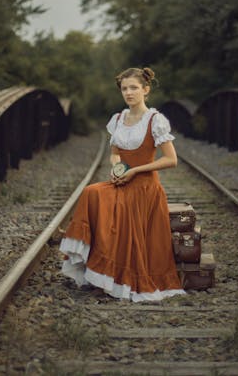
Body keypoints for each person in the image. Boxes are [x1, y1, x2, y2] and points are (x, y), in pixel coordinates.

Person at [59, 67, 185, 302]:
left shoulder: (155, 120)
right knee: (91, 193)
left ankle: (110, 275)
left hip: (145, 187)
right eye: (125, 88)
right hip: (123, 181)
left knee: (113, 208)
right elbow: (115, 153)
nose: (129, 93)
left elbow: (171, 160)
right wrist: (118, 168)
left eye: (134, 88)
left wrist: (135, 170)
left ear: (145, 90)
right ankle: (100, 272)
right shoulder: (118, 119)